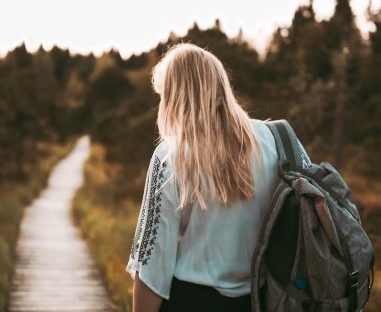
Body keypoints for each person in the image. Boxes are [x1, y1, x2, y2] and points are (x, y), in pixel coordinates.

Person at [126, 42, 310, 312]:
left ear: (175, 96)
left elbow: (152, 261)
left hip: (190, 302)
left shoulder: (170, 155)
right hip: (266, 300)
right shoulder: (280, 139)